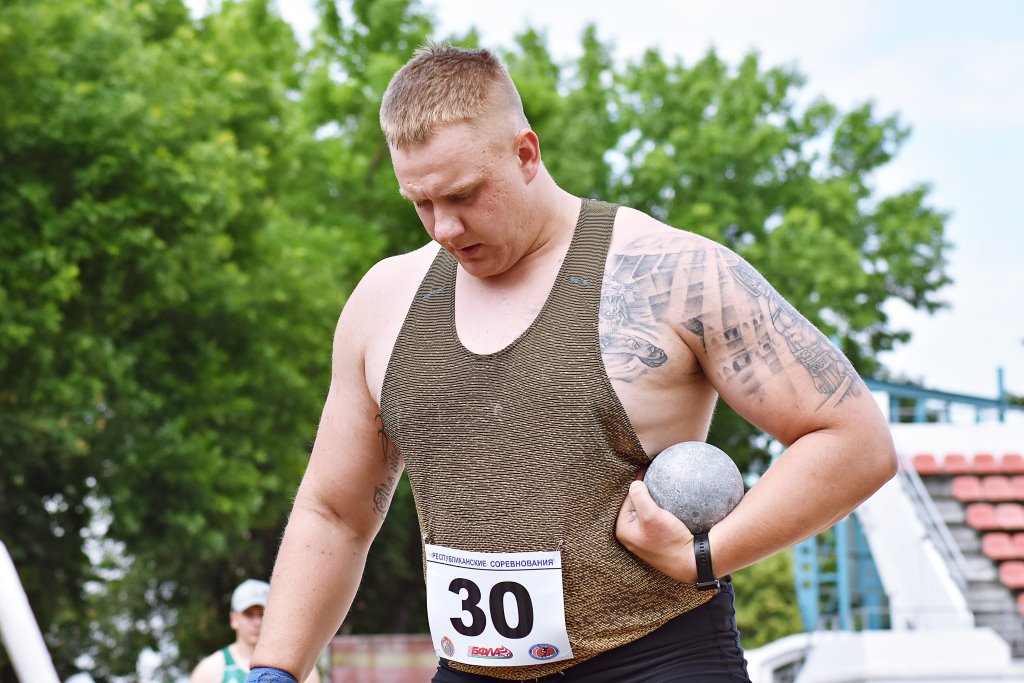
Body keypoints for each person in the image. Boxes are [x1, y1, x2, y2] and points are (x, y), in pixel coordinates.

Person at [245, 44, 898, 683]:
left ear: (526, 153)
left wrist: (707, 555)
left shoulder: (670, 272)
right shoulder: (383, 301)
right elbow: (334, 512)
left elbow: (855, 441)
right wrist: (273, 670)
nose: (443, 227)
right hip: (471, 667)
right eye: (421, 203)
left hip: (657, 657)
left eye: (464, 195)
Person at [190, 579, 320, 683]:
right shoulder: (210, 669)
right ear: (234, 619)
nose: (257, 622)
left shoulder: (300, 667)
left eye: (262, 614)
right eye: (248, 614)